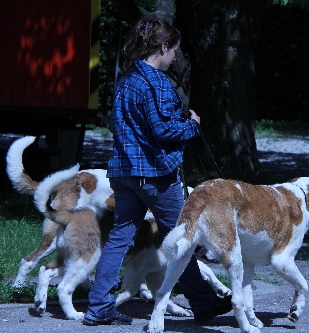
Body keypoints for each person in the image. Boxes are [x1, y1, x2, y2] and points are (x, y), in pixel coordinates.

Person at [82, 18, 232, 326]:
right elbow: (163, 130)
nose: (175, 56)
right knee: (182, 239)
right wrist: (192, 126)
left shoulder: (125, 80)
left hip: (124, 172)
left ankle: (98, 306)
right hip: (155, 176)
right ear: (162, 47)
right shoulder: (157, 82)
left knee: (119, 238)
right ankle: (203, 302)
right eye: (174, 50)